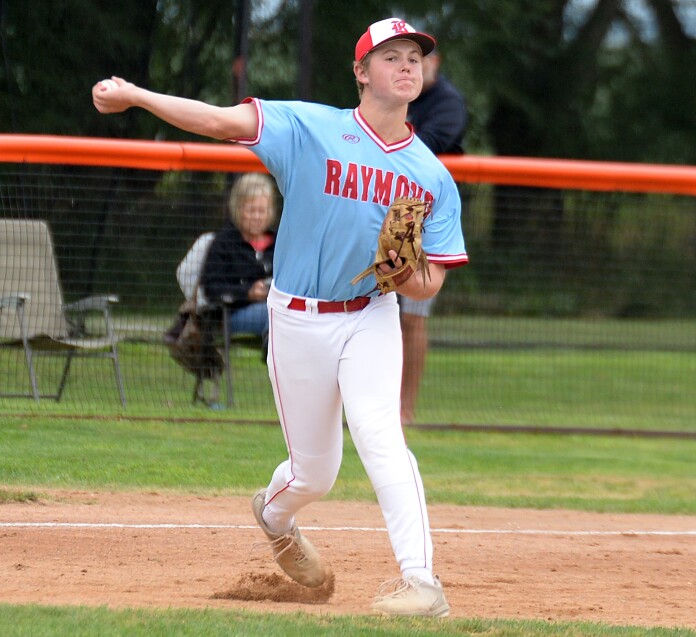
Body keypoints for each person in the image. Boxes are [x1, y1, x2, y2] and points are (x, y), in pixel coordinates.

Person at [92, 16, 468, 618]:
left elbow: (430, 282)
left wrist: (402, 272)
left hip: (371, 314)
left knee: (381, 436)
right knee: (315, 475)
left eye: (414, 58)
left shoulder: (432, 176)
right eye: (391, 55)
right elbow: (218, 121)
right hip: (296, 317)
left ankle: (421, 581)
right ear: (361, 71)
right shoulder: (308, 127)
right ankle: (273, 516)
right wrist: (136, 95)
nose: (406, 65)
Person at [400, 47, 467, 425]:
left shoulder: (447, 103)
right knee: (373, 309)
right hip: (385, 206)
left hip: (426, 215)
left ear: (434, 62)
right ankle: (376, 403)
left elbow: (422, 148)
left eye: (417, 60)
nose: (410, 67)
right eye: (401, 60)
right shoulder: (393, 96)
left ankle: (404, 409)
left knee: (413, 314)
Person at [200, 172, 276, 347]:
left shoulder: (280, 242)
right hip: (234, 313)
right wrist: (248, 292)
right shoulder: (224, 243)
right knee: (276, 315)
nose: (257, 217)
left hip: (276, 306)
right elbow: (211, 288)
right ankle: (274, 354)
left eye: (262, 211)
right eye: (251, 211)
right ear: (238, 209)